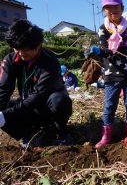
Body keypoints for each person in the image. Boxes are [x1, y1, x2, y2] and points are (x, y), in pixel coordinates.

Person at [0, 19, 73, 147]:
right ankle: (28, 133)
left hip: (47, 106)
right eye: (17, 49)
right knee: (4, 105)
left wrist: (6, 114)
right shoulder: (10, 60)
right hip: (27, 106)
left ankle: (61, 131)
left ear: (38, 45)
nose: (21, 53)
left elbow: (39, 94)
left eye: (26, 49)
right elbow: (4, 89)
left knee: (60, 100)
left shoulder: (49, 61)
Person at [94, 0, 127, 149]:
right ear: (104, 10)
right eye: (108, 7)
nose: (112, 10)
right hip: (112, 73)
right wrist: (101, 50)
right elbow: (102, 47)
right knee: (110, 104)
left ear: (122, 7)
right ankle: (107, 134)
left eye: (115, 6)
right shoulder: (103, 28)